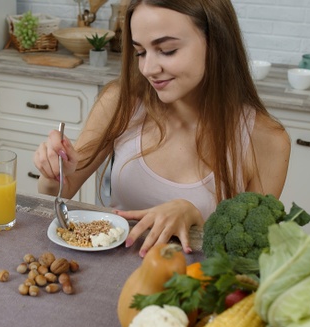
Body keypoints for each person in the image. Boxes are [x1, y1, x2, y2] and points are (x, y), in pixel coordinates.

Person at [33, 0, 290, 258]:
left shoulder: (265, 140)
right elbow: (57, 195)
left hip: (196, 288)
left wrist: (195, 218)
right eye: (140, 52)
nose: (148, 69)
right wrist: (55, 172)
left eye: (167, 50)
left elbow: (254, 256)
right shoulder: (121, 102)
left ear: (216, 43)